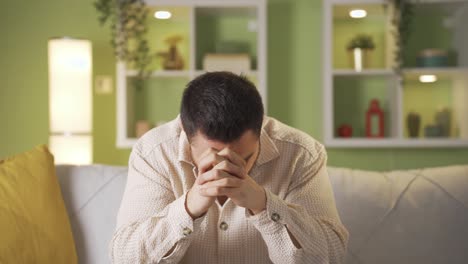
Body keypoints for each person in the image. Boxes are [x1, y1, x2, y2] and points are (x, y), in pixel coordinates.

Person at [109, 72, 348, 263]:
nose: (224, 171)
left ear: (261, 127)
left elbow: (331, 256)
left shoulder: (301, 154)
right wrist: (190, 207)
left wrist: (263, 204)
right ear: (185, 130)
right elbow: (125, 258)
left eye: (242, 159)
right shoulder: (155, 152)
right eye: (211, 159)